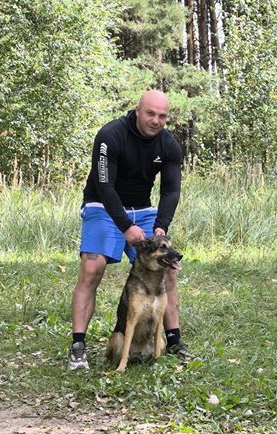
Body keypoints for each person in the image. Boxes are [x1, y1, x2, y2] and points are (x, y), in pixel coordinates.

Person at [68, 90, 191, 370]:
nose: (156, 121)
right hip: (102, 205)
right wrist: (125, 226)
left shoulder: (169, 145)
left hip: (143, 210)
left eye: (162, 116)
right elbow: (104, 186)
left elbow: (171, 190)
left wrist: (161, 226)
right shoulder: (110, 135)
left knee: (167, 268)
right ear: (137, 111)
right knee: (92, 267)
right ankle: (78, 346)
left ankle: (173, 340)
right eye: (150, 114)